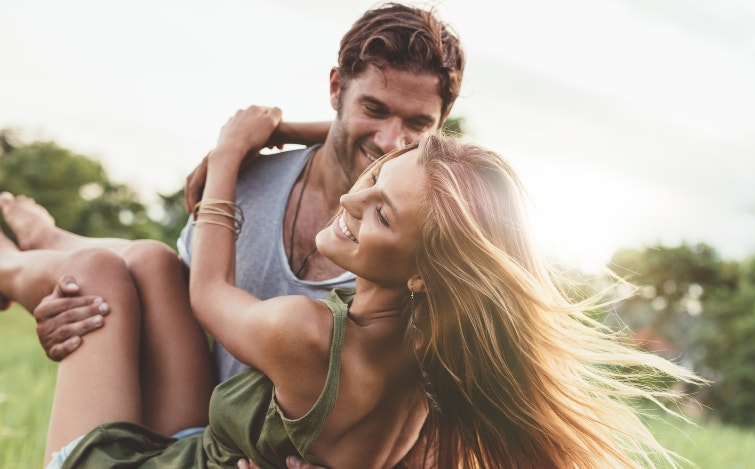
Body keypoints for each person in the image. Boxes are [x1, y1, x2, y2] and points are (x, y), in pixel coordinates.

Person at [1, 107, 701, 468]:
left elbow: (208, 293)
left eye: (382, 215)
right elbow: (398, 162)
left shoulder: (310, 336)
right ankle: (41, 235)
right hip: (190, 447)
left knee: (98, 276)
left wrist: (226, 157)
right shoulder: (435, 354)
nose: (354, 204)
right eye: (371, 185)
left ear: (424, 267)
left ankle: (12, 267)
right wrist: (305, 130)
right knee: (153, 263)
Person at [29, 2, 464, 381]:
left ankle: (37, 244)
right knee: (146, 259)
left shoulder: (421, 247)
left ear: (439, 127)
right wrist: (71, 310)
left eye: (417, 124)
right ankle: (34, 246)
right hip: (197, 429)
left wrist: (256, 139)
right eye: (374, 109)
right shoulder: (248, 183)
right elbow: (176, 305)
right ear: (336, 88)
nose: (391, 141)